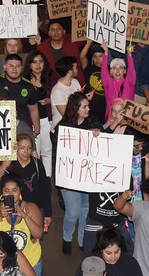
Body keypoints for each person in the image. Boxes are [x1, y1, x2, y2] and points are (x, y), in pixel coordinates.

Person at [53, 91, 103, 254]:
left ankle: (82, 239)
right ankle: (67, 238)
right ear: (76, 109)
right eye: (85, 106)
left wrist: (98, 133)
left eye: (87, 106)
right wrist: (59, 181)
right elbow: (56, 156)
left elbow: (104, 145)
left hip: (88, 177)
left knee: (85, 210)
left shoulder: (93, 124)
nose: (88, 109)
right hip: (69, 178)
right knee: (73, 212)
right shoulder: (62, 128)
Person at [0, 172, 46, 276]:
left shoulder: (31, 208)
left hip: (31, 261)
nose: (10, 194)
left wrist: (25, 216)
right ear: (2, 192)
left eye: (14, 190)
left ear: (20, 190)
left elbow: (39, 234)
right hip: (6, 264)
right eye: (6, 191)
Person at [0, 133, 54, 232]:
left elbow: (45, 190)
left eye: (29, 148)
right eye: (22, 148)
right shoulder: (10, 166)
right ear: (16, 148)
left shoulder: (37, 164)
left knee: (35, 237)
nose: (26, 152)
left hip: (36, 209)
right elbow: (0, 178)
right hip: (15, 209)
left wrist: (48, 214)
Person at [0, 53, 43, 139]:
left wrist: (36, 131)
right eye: (11, 66)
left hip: (20, 130)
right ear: (5, 67)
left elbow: (33, 109)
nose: (14, 69)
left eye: (17, 66)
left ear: (22, 68)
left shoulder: (29, 86)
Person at [77, 227, 142, 276]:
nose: (113, 257)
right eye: (108, 253)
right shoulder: (91, 262)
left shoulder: (130, 263)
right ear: (101, 249)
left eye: (116, 252)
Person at [100, 40, 136, 120]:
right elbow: (104, 72)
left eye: (120, 68)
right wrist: (106, 52)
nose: (117, 71)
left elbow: (132, 71)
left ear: (125, 71)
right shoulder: (108, 84)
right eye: (114, 68)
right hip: (111, 120)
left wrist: (129, 55)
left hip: (127, 120)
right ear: (111, 71)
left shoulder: (129, 83)